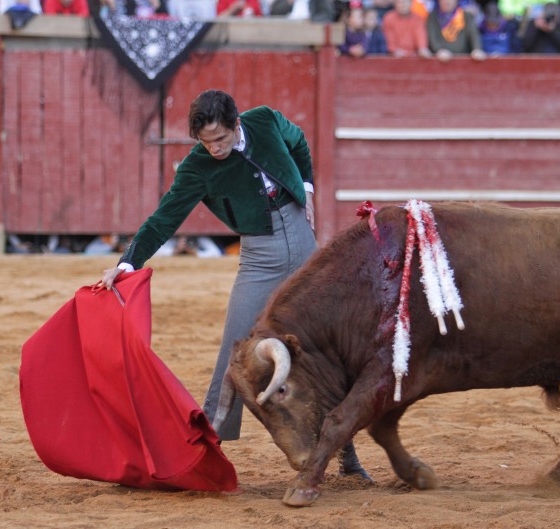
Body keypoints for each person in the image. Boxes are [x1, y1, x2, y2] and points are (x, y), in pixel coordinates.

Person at [98, 90, 370, 480]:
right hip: (259, 256)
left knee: (325, 351)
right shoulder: (197, 167)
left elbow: (299, 143)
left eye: (221, 139)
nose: (215, 148)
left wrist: (306, 189)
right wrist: (127, 263)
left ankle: (347, 456)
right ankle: (206, 452)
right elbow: (164, 218)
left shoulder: (265, 121)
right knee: (237, 351)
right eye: (206, 142)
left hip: (304, 244)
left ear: (236, 124)